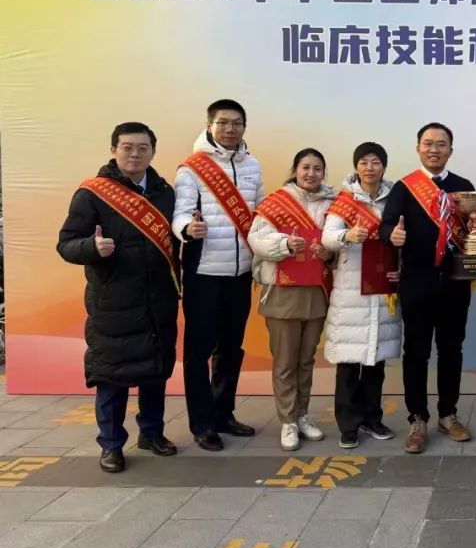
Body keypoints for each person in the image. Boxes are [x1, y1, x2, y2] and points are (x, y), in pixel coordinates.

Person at [57, 122, 180, 473]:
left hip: (159, 298)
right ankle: (111, 445)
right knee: (112, 376)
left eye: (143, 148)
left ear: (152, 152)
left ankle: (152, 433)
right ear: (113, 150)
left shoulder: (165, 193)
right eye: (127, 147)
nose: (135, 154)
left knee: (155, 370)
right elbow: (66, 244)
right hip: (113, 301)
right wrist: (91, 247)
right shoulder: (92, 194)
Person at [172, 99, 265, 451]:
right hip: (204, 272)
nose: (230, 129)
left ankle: (224, 412)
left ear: (244, 127)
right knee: (198, 351)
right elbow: (181, 213)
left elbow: (259, 213)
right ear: (209, 125)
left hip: (240, 272)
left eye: (236, 123)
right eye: (223, 122)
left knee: (230, 347)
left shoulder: (253, 165)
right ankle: (202, 423)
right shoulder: (192, 168)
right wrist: (187, 228)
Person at [378, 123, 474, 454]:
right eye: (428, 144)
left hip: (455, 283)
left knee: (451, 350)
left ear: (451, 150)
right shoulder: (405, 188)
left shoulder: (464, 187)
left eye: (441, 144)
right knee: (417, 352)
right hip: (416, 281)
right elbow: (385, 225)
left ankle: (448, 414)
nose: (434, 149)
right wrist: (392, 235)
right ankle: (417, 418)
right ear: (418, 148)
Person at [248, 148, 336, 451]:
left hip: (317, 291)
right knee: (285, 361)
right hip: (283, 292)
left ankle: (302, 415)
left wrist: (329, 253)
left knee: (306, 360)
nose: (311, 173)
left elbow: (338, 242)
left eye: (317, 168)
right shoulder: (276, 202)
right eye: (305, 167)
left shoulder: (333, 204)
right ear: (295, 170)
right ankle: (287, 420)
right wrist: (286, 243)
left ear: (324, 172)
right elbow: (256, 239)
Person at [322, 142, 403, 448]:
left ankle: (372, 418)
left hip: (383, 289)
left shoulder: (395, 199)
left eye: (376, 162)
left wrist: (402, 267)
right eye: (364, 162)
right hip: (351, 291)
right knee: (348, 363)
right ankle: (348, 425)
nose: (370, 168)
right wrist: (347, 235)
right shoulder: (344, 201)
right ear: (356, 166)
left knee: (375, 361)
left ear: (384, 166)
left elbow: (404, 238)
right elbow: (327, 237)